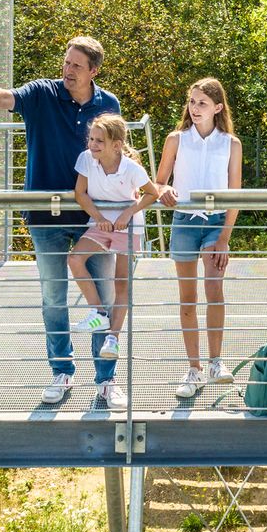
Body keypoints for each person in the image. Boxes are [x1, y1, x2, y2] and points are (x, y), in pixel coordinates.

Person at [0, 36, 127, 409]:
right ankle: (61, 372)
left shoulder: (108, 104)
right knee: (53, 298)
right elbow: (5, 98)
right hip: (45, 216)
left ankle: (106, 380)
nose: (68, 70)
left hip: (96, 217)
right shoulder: (42, 93)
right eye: (66, 62)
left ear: (94, 70)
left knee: (105, 297)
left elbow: (118, 154)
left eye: (76, 65)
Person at [154, 78, 243, 398]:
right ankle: (194, 369)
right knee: (188, 298)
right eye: (192, 102)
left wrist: (224, 238)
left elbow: (235, 193)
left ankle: (216, 362)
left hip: (216, 224)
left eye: (202, 103)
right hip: (183, 223)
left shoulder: (231, 144)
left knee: (214, 289)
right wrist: (164, 190)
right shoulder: (176, 139)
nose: (195, 108)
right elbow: (158, 182)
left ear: (218, 107)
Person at [69, 113, 158, 359]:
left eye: (99, 141)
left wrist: (128, 213)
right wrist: (98, 217)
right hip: (101, 223)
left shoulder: (131, 168)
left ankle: (113, 338)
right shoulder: (86, 159)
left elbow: (152, 193)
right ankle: (98, 312)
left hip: (127, 227)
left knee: (121, 282)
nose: (93, 144)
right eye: (91, 139)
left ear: (116, 145)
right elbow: (80, 193)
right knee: (75, 259)